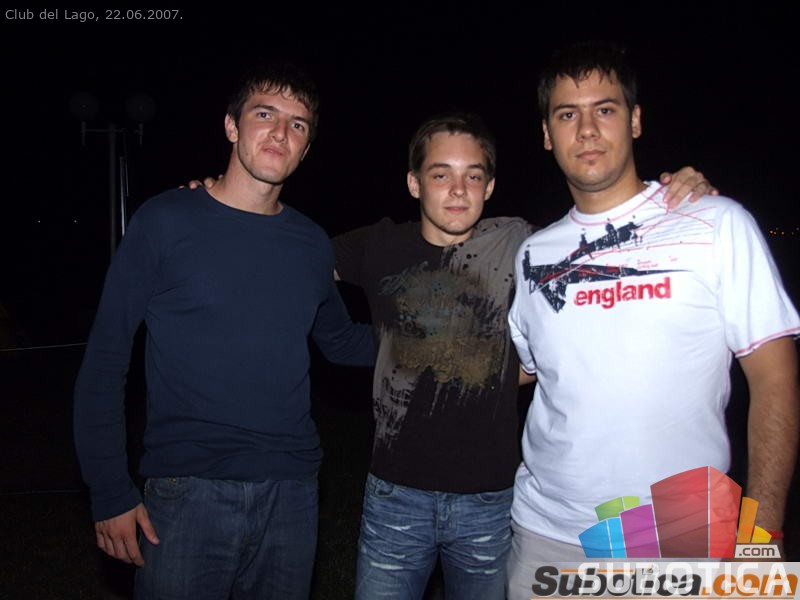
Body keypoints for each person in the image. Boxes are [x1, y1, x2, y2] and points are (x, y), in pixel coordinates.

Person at [192, 115, 713, 598]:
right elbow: (287, 256)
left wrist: (671, 197)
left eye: (473, 176)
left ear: (490, 186)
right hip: (394, 497)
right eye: (441, 175)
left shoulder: (524, 245)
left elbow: (608, 247)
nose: (458, 190)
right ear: (414, 183)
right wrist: (220, 203)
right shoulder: (378, 245)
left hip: (489, 501)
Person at [506, 41, 800, 598]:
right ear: (546, 134)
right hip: (547, 533)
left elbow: (775, 380)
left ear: (635, 120)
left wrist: (761, 537)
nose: (586, 130)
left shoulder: (716, 223)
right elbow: (527, 368)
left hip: (683, 528)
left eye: (605, 109)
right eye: (567, 115)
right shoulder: (533, 255)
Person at [73, 62, 375, 599]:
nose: (280, 132)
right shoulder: (165, 221)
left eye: (298, 124)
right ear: (232, 126)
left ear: (306, 148)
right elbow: (105, 360)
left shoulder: (310, 243)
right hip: (186, 493)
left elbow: (343, 341)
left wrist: (436, 341)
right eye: (265, 115)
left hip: (292, 491)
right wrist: (110, 489)